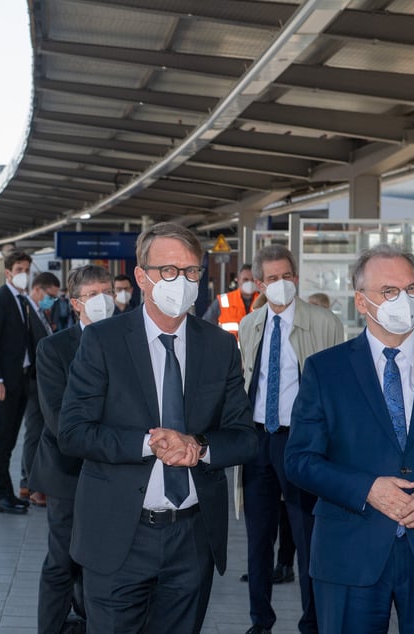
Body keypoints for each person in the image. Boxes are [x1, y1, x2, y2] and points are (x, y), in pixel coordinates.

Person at [59, 221, 257, 634]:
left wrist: (198, 447)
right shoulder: (102, 341)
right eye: (168, 270)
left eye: (190, 272)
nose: (180, 281)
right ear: (141, 276)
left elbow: (244, 437)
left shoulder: (219, 346)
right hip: (119, 536)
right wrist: (149, 443)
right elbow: (73, 432)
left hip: (192, 538)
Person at [285, 244, 414, 633]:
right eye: (389, 292)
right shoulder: (325, 370)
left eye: (411, 290)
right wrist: (367, 489)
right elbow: (300, 460)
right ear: (362, 302)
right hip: (350, 552)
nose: (405, 301)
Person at [237, 245, 344, 634]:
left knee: (307, 536)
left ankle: (311, 623)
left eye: (287, 276)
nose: (280, 284)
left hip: (302, 444)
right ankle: (259, 622)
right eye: (272, 279)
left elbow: (338, 388)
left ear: (296, 277)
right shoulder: (251, 324)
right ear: (259, 284)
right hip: (258, 441)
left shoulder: (323, 322)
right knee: (258, 538)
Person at [31, 264, 115, 634]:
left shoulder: (128, 342)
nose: (103, 301)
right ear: (76, 303)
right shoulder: (54, 348)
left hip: (116, 473)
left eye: (108, 293)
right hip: (68, 473)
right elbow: (59, 419)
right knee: (62, 560)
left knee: (107, 562)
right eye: (93, 295)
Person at [0, 251, 36, 514]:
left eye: (27, 268)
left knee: (11, 440)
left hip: (21, 381)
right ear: (9, 272)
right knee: (1, 440)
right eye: (20, 268)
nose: (24, 272)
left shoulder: (21, 300)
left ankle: (8, 493)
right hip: (5, 383)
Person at [19, 271, 61, 507]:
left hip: (40, 382)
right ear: (37, 289)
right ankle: (30, 484)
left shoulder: (40, 312)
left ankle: (34, 483)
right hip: (33, 382)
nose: (52, 302)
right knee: (34, 433)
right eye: (50, 296)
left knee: (39, 431)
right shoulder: (26, 311)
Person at [203, 264, 259, 338]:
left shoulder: (263, 302)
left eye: (252, 280)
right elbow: (205, 326)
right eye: (246, 279)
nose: (249, 283)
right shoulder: (223, 301)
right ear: (238, 280)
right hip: (226, 348)